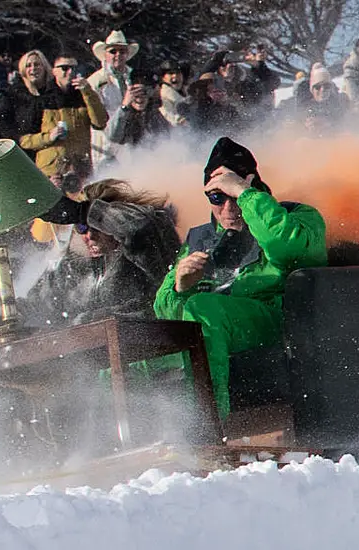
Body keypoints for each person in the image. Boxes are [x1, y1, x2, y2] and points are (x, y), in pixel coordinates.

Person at [153, 138, 328, 420]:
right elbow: (169, 314)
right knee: (127, 351)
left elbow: (289, 247)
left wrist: (245, 194)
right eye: (217, 197)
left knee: (204, 309)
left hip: (277, 322)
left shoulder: (296, 217)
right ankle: (118, 446)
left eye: (233, 195)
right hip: (218, 329)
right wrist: (180, 287)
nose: (229, 208)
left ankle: (205, 428)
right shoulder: (200, 238)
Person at [23, 178, 181, 327]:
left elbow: (140, 227)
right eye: (82, 227)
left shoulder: (145, 246)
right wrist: (8, 316)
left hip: (154, 345)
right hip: (91, 353)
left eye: (98, 226)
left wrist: (83, 212)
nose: (90, 236)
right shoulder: (70, 267)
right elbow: (36, 305)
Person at [87, 30, 139, 167]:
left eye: (122, 51)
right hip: (104, 144)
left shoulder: (133, 78)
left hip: (129, 143)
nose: (118, 55)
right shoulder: (95, 81)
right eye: (113, 51)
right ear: (104, 54)